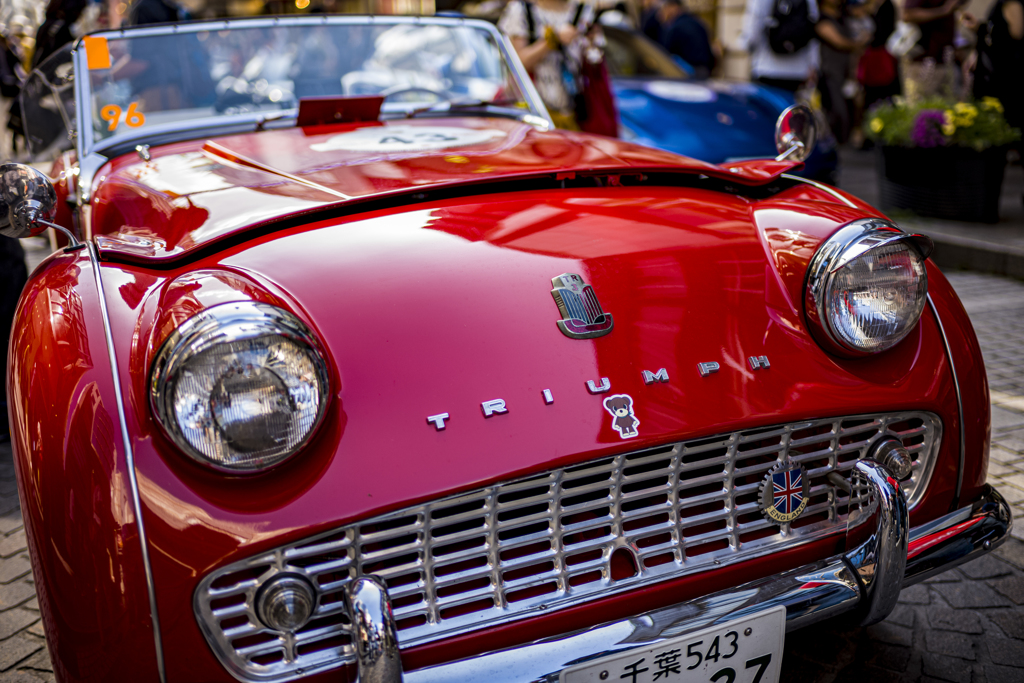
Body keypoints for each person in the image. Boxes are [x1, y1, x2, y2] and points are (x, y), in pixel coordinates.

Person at [498, 0, 596, 129]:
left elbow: (593, 64)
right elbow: (516, 63)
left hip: (573, 113)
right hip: (530, 114)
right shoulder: (522, 9)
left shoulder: (585, 11)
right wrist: (552, 40)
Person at [738, 0, 821, 93]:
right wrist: (813, 64)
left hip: (766, 69)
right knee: (791, 106)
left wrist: (745, 46)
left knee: (765, 106)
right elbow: (813, 29)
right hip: (798, 72)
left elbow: (752, 32)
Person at [816, 0, 869, 142]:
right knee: (836, 109)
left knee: (852, 104)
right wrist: (858, 44)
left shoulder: (844, 16)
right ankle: (835, 142)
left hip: (847, 70)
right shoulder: (821, 18)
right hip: (830, 70)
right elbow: (838, 41)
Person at [972, 0, 1023, 134]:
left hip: (1008, 75)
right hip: (1004, 73)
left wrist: (984, 31)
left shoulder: (1011, 3)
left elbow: (1016, 33)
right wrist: (980, 28)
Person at [902, 0, 968, 98]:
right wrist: (943, 10)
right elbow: (908, 14)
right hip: (925, 64)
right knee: (923, 108)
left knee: (949, 109)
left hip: (947, 62)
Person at [657, 0, 717, 78]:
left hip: (688, 73)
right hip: (704, 70)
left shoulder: (675, 27)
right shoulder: (697, 22)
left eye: (664, 9)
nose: (662, 12)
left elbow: (665, 54)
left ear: (673, 8)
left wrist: (664, 24)